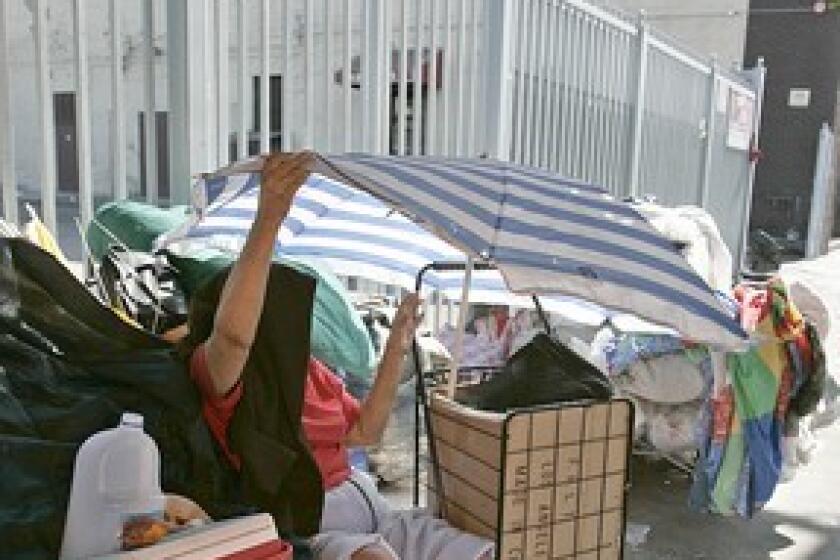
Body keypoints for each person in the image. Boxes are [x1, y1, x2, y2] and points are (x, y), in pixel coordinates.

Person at [183, 153, 494, 560]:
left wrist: (398, 343)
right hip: (310, 525)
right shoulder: (224, 377)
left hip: (371, 504)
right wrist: (270, 216)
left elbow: (364, 433)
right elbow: (233, 337)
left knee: (479, 552)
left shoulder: (311, 370)